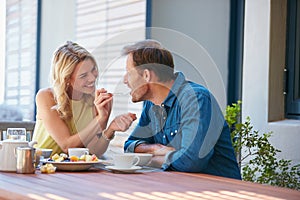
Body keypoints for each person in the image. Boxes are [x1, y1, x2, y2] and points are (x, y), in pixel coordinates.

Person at [122, 39, 241, 179]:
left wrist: (152, 159)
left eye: (129, 73)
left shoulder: (195, 99)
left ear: (147, 75)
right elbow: (129, 146)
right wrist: (155, 149)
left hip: (219, 191)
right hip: (179, 186)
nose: (125, 80)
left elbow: (191, 161)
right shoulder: (152, 105)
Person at [32, 41, 136, 157]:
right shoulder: (46, 97)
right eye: (83, 75)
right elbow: (67, 146)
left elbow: (94, 151)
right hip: (44, 168)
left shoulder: (97, 101)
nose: (92, 78)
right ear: (66, 79)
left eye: (93, 70)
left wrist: (110, 128)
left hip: (77, 169)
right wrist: (100, 119)